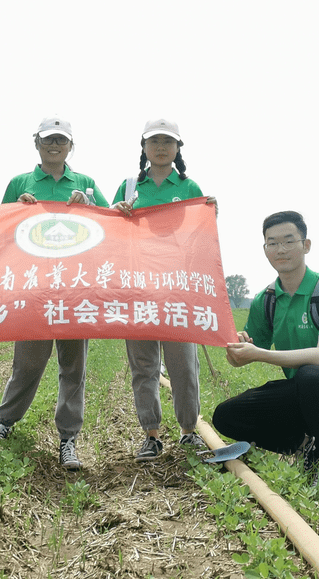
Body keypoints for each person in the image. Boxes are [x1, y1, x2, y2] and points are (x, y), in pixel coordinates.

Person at [212, 210, 319, 497]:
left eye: (289, 241)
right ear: (265, 250)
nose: (280, 250)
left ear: (306, 245)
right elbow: (241, 358)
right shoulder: (267, 300)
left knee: (312, 374)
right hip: (305, 391)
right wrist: (237, 349)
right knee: (227, 416)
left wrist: (259, 354)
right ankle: (306, 447)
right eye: (272, 243)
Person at [0, 116, 109, 470]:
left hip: (75, 289)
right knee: (28, 364)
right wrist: (14, 212)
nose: (54, 146)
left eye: (61, 141)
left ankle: (69, 438)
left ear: (71, 146)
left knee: (73, 367)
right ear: (36, 143)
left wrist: (90, 206)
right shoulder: (20, 183)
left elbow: (109, 228)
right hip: (33, 290)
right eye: (48, 140)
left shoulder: (86, 183)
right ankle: (4, 423)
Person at [112, 118, 214, 462]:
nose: (160, 147)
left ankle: (188, 432)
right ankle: (151, 435)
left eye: (167, 142)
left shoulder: (189, 188)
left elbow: (201, 238)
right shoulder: (128, 188)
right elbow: (110, 232)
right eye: (153, 141)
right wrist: (115, 213)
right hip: (137, 290)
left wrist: (210, 213)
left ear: (177, 148)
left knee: (183, 365)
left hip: (176, 292)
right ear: (143, 147)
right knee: (144, 366)